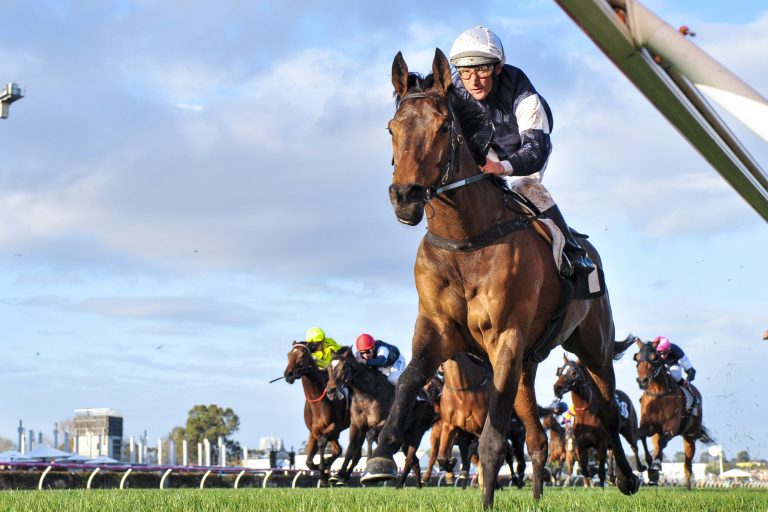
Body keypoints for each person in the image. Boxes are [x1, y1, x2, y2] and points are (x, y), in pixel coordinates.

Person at [449, 26, 594, 276]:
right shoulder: (456, 89)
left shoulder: (523, 94)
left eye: (482, 69)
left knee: (524, 187)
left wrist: (502, 167)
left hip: (525, 149)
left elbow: (536, 151)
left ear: (497, 67)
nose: (473, 81)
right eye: (465, 71)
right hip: (487, 147)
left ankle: (574, 252)